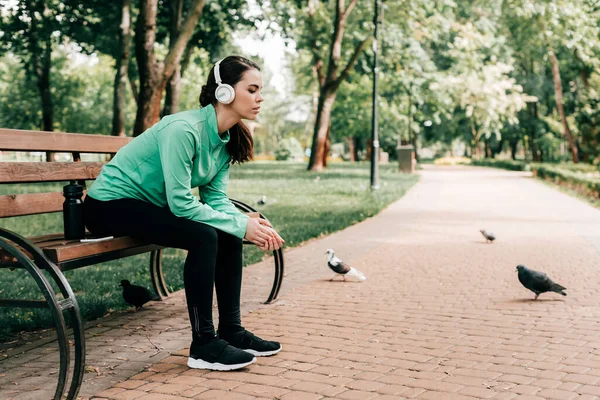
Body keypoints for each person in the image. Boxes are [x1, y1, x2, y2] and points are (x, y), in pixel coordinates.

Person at [83, 55, 284, 371]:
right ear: (225, 93)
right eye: (253, 89)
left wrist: (241, 222)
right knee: (204, 235)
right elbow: (180, 204)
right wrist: (239, 223)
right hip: (108, 205)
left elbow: (215, 199)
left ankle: (231, 330)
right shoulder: (183, 129)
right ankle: (203, 344)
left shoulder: (225, 139)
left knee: (228, 233)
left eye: (260, 90)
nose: (260, 98)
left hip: (148, 207)